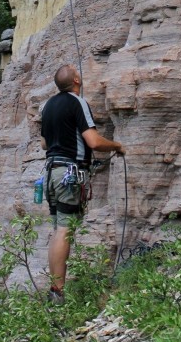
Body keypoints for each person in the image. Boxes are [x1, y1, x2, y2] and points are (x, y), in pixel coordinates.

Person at [40, 63, 125, 303]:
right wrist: (117, 146)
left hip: (50, 173)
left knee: (58, 229)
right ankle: (57, 292)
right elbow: (94, 142)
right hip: (69, 173)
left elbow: (44, 144)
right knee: (65, 230)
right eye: (78, 72)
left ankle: (54, 290)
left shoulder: (48, 106)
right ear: (76, 80)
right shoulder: (78, 102)